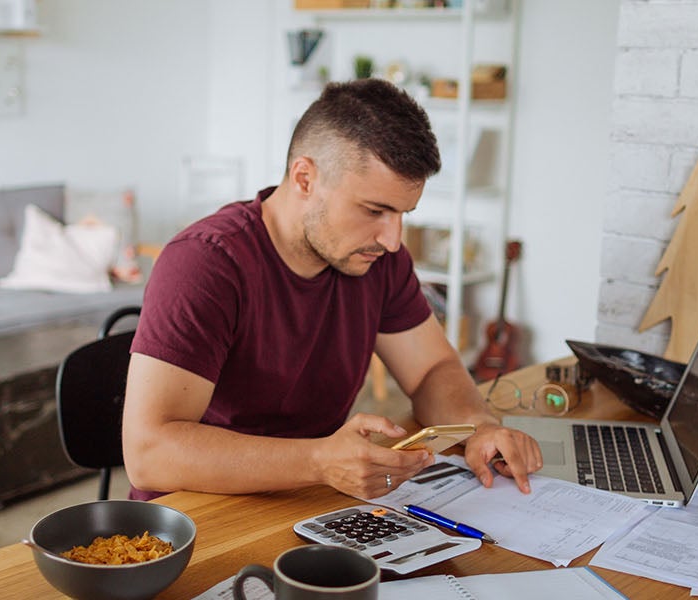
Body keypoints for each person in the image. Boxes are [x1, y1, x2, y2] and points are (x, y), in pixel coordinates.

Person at [122, 79, 543, 502]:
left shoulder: (379, 259)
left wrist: (478, 426)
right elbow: (149, 452)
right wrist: (320, 461)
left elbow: (433, 370)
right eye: (374, 210)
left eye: (403, 214)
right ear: (304, 178)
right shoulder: (206, 264)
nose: (393, 240)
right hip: (199, 516)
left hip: (312, 499)